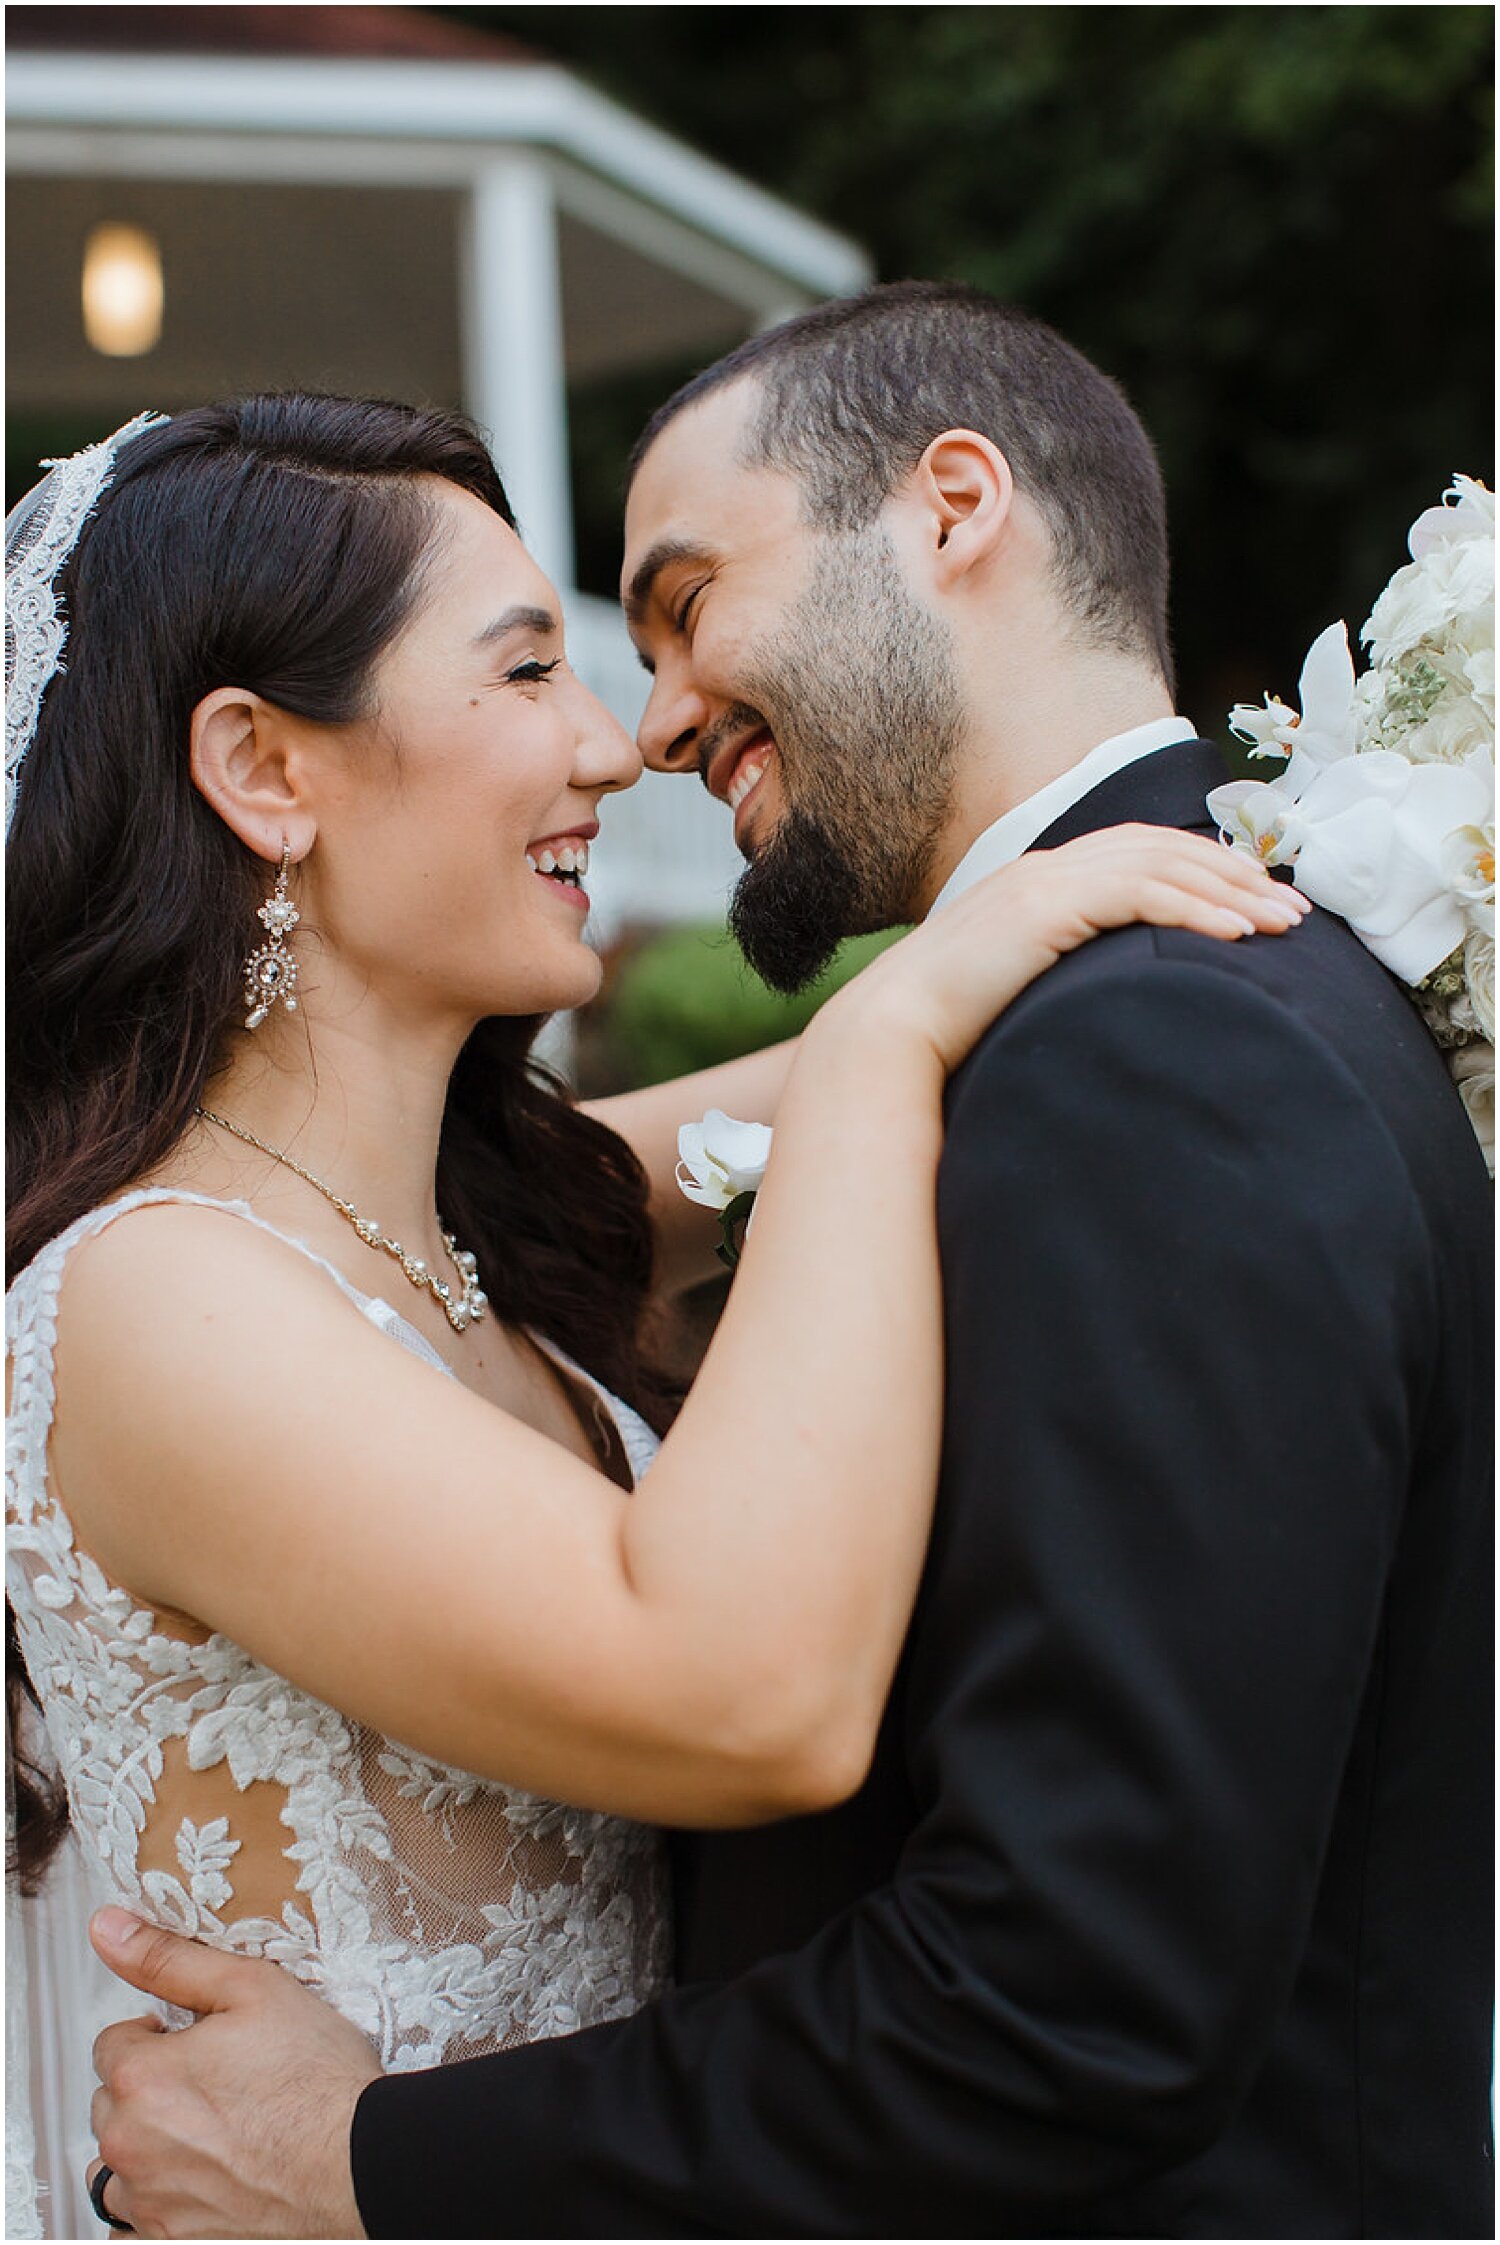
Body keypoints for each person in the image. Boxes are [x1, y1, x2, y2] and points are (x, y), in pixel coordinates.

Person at [81, 288, 1491, 2240]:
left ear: (952, 508)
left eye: (675, 606)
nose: (633, 727)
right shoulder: (1056, 1036)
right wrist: (900, 1028)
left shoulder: (1158, 1049)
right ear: (261, 768)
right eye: (543, 666)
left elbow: (1074, 1994)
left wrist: (377, 2163)